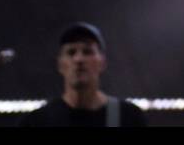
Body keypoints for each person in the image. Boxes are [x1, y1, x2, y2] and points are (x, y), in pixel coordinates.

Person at [19, 22, 147, 127]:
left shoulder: (128, 117)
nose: (79, 59)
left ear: (102, 62)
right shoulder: (38, 122)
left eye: (87, 51)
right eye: (71, 52)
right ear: (60, 64)